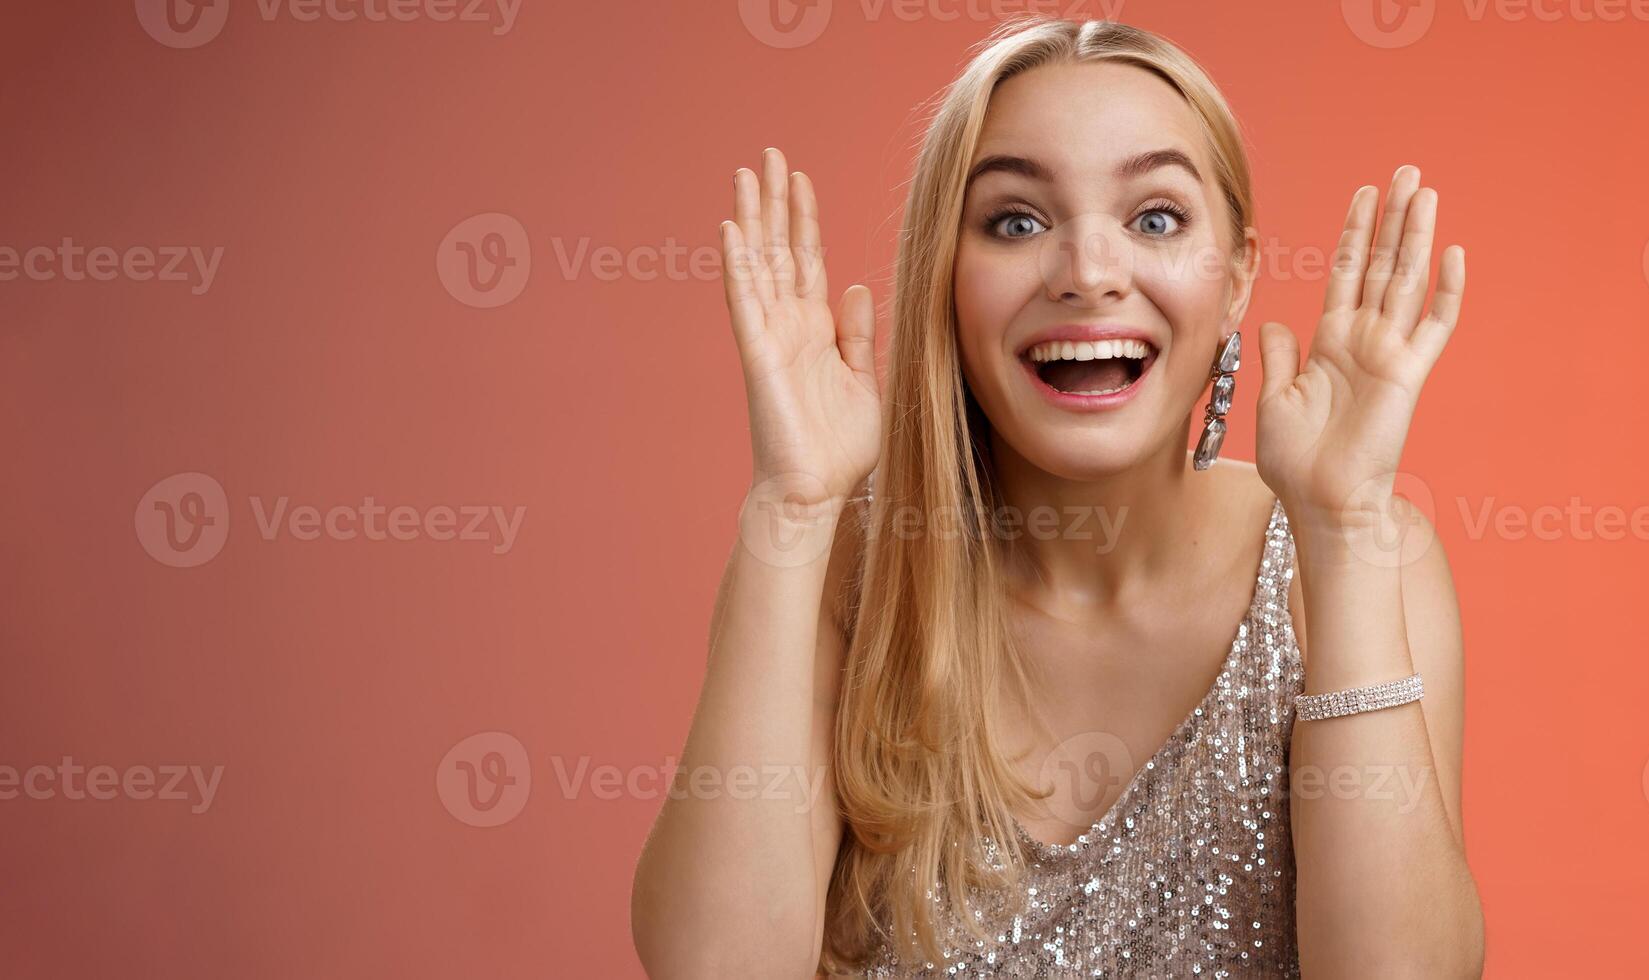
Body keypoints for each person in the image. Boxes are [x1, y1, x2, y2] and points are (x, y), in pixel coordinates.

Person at [633, 17, 1484, 977]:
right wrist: (789, 508)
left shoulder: (1358, 561)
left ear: (1239, 275)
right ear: (945, 279)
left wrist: (1348, 531)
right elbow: (714, 968)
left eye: (1155, 218)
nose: (1087, 274)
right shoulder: (841, 567)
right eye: (1016, 220)